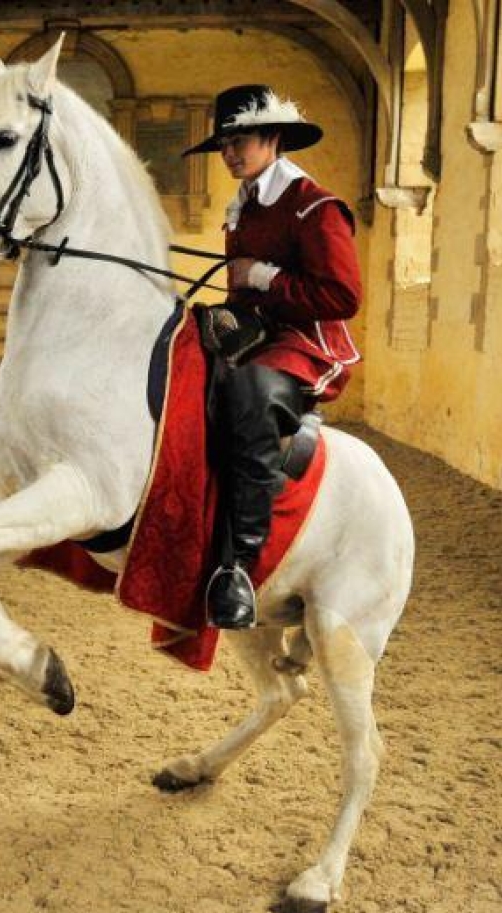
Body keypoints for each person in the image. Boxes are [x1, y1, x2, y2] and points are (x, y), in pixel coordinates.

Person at [182, 84, 363, 630]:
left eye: (242, 141)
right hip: (260, 333)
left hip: (311, 342)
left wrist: (264, 276)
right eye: (225, 144)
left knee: (251, 393)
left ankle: (239, 567)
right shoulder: (244, 205)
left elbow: (343, 297)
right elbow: (244, 296)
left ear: (273, 139)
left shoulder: (314, 206)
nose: (232, 153)